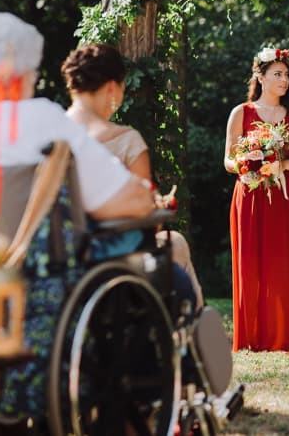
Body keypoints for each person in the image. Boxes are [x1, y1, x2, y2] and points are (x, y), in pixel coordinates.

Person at [0, 12, 156, 423]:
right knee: (169, 275)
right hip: (32, 278)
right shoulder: (44, 120)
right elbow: (129, 201)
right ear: (24, 70)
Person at [61, 43, 204, 308]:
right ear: (112, 88)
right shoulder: (126, 139)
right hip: (113, 262)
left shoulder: (49, 135)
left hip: (61, 254)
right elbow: (148, 220)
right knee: (178, 257)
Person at [224, 46, 289, 352]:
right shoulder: (241, 113)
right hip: (249, 194)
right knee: (250, 264)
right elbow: (227, 160)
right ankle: (251, 336)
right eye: (277, 74)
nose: (284, 80)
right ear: (260, 77)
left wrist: (282, 165)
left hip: (286, 195)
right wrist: (247, 164)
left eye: (287, 74)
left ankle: (286, 336)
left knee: (284, 263)